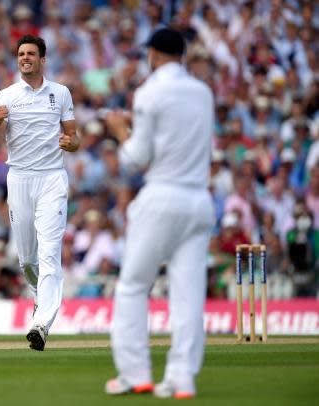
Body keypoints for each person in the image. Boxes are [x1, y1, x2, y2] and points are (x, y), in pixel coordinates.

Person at [102, 28, 214, 399]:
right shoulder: (203, 92)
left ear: (152, 54)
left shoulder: (149, 92)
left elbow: (138, 157)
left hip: (163, 195)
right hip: (199, 201)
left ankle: (135, 374)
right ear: (182, 55)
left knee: (133, 284)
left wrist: (120, 131)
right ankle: (182, 378)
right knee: (188, 294)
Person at [0, 35, 80, 351]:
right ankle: (41, 298)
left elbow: (74, 137)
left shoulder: (60, 93)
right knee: (27, 259)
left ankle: (42, 324)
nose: (25, 58)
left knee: (50, 253)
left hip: (52, 178)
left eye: (31, 54)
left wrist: (72, 143)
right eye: (21, 54)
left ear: (43, 59)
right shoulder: (7, 96)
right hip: (20, 179)